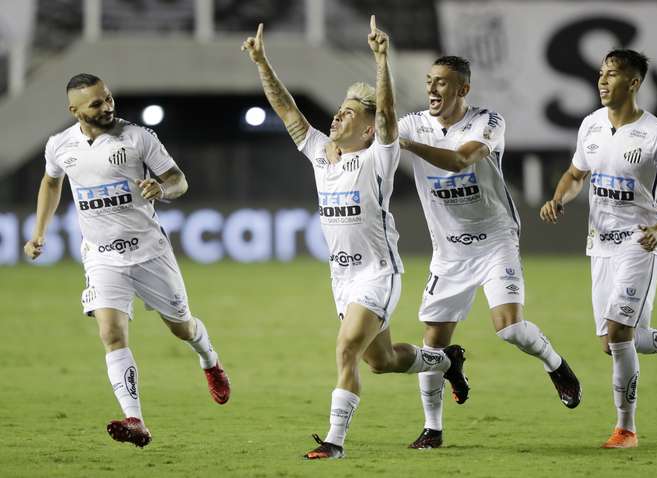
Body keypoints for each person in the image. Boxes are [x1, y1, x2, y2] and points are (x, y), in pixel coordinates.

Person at [241, 17, 469, 460]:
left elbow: (386, 116)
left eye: (349, 111)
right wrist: (262, 62)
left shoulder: (377, 157)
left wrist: (381, 60)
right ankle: (444, 361)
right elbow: (288, 110)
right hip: (342, 279)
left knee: (346, 348)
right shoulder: (321, 155)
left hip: (377, 274)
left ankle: (335, 442)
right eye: (339, 109)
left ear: (367, 130)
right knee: (380, 361)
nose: (338, 114)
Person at [23, 74, 231, 448]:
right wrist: (40, 232)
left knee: (181, 328)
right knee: (111, 333)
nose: (107, 107)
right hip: (101, 257)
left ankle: (209, 359)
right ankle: (135, 419)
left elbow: (178, 180)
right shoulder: (60, 146)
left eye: (108, 99)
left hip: (150, 252)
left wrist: (161, 188)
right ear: (74, 111)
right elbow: (51, 182)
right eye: (96, 104)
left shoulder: (138, 138)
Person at [540, 49, 657, 449]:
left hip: (639, 243)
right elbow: (576, 174)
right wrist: (559, 197)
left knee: (620, 334)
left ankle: (626, 429)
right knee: (616, 342)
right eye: (601, 74)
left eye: (612, 74)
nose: (603, 81)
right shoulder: (590, 125)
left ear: (634, 83)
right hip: (599, 246)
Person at [398, 56, 582, 449]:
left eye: (442, 83)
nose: (432, 89)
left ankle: (557, 366)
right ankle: (433, 429)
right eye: (429, 81)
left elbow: (461, 159)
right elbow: (377, 136)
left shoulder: (487, 122)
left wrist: (408, 145)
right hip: (448, 251)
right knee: (431, 346)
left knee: (511, 329)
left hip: (496, 239)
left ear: (463, 89)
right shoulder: (413, 123)